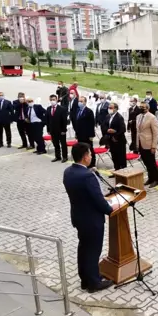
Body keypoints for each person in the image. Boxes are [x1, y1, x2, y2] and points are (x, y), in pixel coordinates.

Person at [63, 142, 117, 293]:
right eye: (90, 154)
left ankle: (85, 279)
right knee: (93, 251)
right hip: (92, 221)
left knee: (83, 248)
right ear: (85, 157)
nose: (91, 156)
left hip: (79, 218)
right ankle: (94, 283)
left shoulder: (68, 172)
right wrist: (109, 209)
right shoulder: (87, 176)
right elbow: (98, 199)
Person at [137, 101, 158, 187]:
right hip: (141, 143)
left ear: (147, 108)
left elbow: (155, 133)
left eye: (143, 107)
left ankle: (155, 180)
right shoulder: (138, 116)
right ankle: (150, 178)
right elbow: (138, 132)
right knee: (146, 162)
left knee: (151, 163)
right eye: (140, 107)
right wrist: (137, 144)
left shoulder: (152, 117)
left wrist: (153, 146)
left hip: (149, 144)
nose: (141, 108)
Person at [102, 103, 127, 171]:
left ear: (115, 109)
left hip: (119, 141)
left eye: (111, 108)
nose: (109, 109)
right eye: (109, 107)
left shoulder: (119, 117)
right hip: (111, 140)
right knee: (114, 157)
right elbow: (103, 126)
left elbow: (123, 129)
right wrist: (107, 130)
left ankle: (123, 172)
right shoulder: (108, 116)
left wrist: (115, 133)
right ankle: (116, 170)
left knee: (121, 157)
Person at [74, 96, 96, 169]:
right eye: (79, 101)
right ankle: (83, 162)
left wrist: (91, 135)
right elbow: (77, 123)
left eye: (81, 101)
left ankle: (92, 164)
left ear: (85, 102)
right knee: (81, 149)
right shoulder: (77, 110)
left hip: (87, 135)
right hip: (80, 134)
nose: (80, 103)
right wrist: (76, 133)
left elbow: (91, 124)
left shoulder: (89, 111)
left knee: (89, 149)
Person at [46, 94, 68, 163]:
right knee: (56, 144)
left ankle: (65, 157)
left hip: (61, 130)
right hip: (53, 130)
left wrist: (64, 130)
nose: (52, 101)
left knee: (63, 144)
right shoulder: (49, 108)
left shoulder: (62, 109)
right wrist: (48, 130)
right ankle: (57, 156)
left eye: (54, 99)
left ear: (57, 100)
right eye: (51, 100)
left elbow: (64, 121)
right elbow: (48, 120)